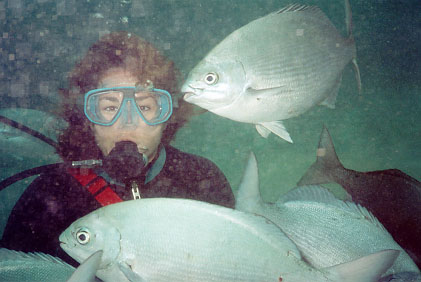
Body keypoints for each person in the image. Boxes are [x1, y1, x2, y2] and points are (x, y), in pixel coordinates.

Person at [1, 31, 234, 265]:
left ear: (166, 116)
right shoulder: (48, 195)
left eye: (144, 107)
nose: (128, 123)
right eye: (110, 108)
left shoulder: (201, 178)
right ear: (88, 120)